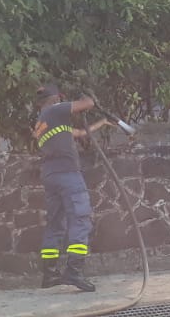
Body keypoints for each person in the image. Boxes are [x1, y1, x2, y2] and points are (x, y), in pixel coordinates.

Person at [31, 84, 111, 292]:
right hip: (67, 173)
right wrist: (86, 96)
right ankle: (74, 271)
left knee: (56, 223)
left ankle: (49, 274)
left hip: (51, 175)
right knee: (80, 219)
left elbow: (78, 133)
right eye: (60, 98)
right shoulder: (56, 109)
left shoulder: (42, 123)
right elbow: (88, 103)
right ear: (56, 98)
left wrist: (101, 123)